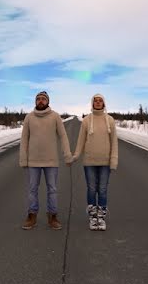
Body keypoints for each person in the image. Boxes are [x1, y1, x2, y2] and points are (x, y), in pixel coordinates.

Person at [19, 90, 73, 230]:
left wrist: (67, 155)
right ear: (35, 102)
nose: (41, 101)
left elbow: (63, 136)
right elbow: (24, 139)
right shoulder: (29, 117)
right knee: (32, 189)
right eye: (38, 99)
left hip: (51, 161)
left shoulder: (55, 117)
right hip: (33, 161)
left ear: (48, 101)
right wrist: (23, 159)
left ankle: (53, 216)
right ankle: (32, 215)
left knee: (52, 190)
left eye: (43, 99)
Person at [73, 93, 118, 231]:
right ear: (92, 103)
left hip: (105, 162)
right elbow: (81, 140)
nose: (98, 103)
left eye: (100, 101)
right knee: (92, 189)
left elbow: (114, 142)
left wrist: (113, 160)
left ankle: (101, 217)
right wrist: (75, 156)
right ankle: (93, 217)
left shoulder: (109, 120)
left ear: (104, 104)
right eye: (95, 101)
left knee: (103, 190)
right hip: (89, 162)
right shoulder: (87, 120)